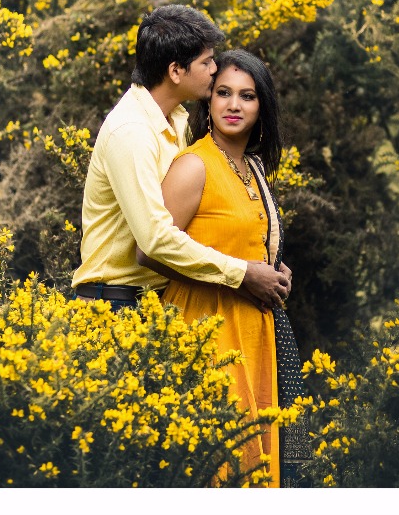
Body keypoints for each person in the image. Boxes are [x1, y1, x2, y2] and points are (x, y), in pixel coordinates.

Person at [137, 49, 304, 487]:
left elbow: (239, 238)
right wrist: (243, 272)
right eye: (223, 93)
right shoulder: (194, 165)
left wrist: (275, 268)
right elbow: (150, 250)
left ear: (261, 106)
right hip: (208, 331)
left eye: (247, 96)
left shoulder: (253, 168)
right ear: (207, 103)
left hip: (255, 335)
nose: (234, 105)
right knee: (222, 465)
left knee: (257, 463)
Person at [72, 5, 289, 311]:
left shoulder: (177, 120)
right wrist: (242, 274)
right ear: (175, 71)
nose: (215, 69)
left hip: (156, 302)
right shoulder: (132, 131)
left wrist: (267, 260)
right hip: (115, 305)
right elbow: (155, 240)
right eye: (206, 62)